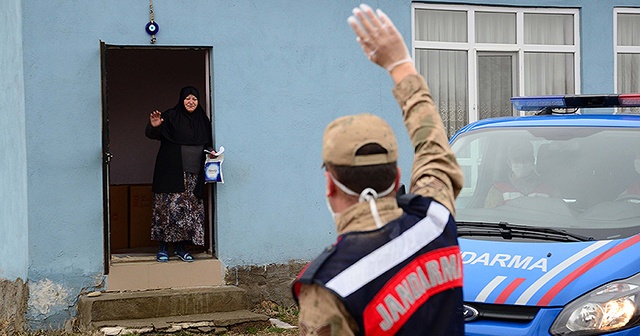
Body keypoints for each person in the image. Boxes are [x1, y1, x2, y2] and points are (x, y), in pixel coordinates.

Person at [292, 4, 465, 335]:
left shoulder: (331, 284)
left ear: (329, 185)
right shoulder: (435, 219)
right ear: (397, 178)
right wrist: (400, 65)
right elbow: (434, 150)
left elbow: (434, 152)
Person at [145, 86, 214, 262]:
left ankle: (180, 248)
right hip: (170, 173)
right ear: (181, 99)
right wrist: (153, 127)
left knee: (187, 212)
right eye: (187, 98)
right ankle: (162, 247)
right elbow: (153, 134)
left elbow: (207, 142)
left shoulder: (202, 120)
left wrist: (211, 152)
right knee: (166, 209)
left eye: (194, 99)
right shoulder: (170, 116)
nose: (191, 102)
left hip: (193, 176)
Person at [484, 140, 555, 208]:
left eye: (525, 159)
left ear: (532, 161)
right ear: (509, 163)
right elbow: (490, 217)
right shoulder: (498, 189)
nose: (521, 164)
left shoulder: (549, 188)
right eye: (516, 160)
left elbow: (558, 215)